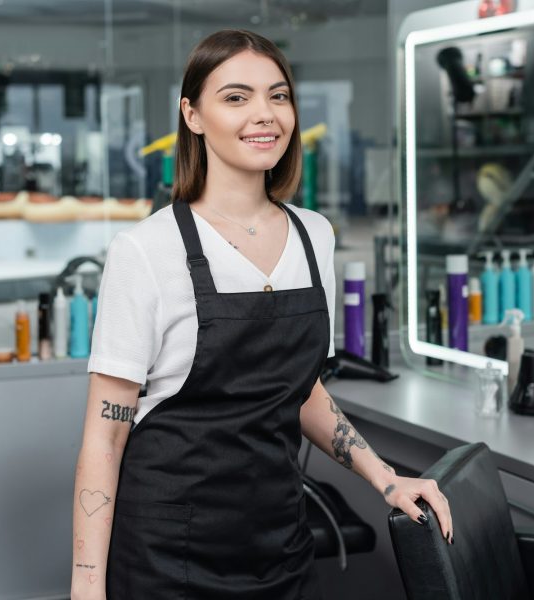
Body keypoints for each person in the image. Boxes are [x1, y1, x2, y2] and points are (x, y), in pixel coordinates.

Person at [71, 29, 454, 600]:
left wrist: (385, 477)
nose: (264, 114)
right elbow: (104, 438)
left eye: (278, 96)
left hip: (279, 542)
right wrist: (87, 588)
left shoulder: (313, 236)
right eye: (235, 97)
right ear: (192, 115)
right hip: (167, 553)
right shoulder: (147, 251)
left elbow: (299, 391)